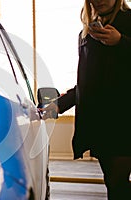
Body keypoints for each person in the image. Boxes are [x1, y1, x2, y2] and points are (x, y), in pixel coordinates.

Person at [40, 0, 131, 199]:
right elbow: (87, 84)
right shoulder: (87, 34)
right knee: (114, 184)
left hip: (125, 120)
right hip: (103, 124)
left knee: (117, 183)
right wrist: (58, 105)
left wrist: (121, 42)